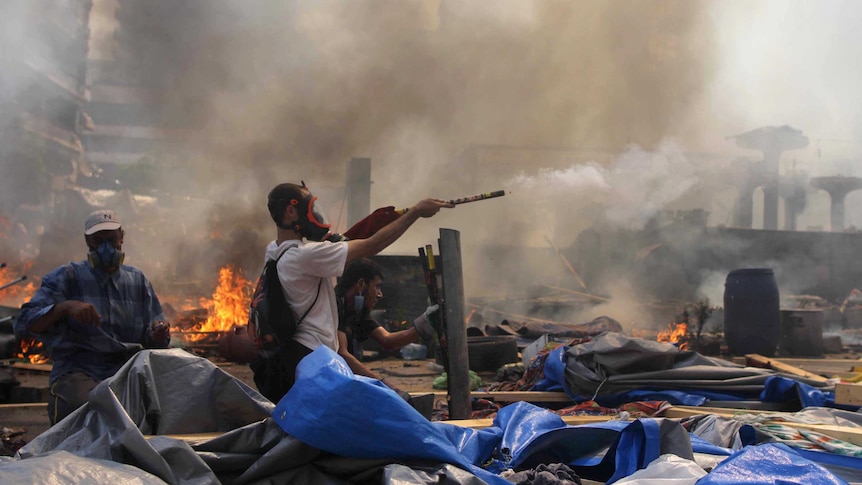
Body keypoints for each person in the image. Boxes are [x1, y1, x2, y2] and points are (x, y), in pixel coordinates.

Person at [251, 181, 453, 403]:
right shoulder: (305, 256)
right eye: (309, 209)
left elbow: (339, 242)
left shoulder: (274, 251)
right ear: (291, 212)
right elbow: (371, 246)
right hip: (314, 361)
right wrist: (415, 212)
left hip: (294, 360)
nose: (315, 215)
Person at [15, 209, 171, 425]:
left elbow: (153, 336)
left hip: (126, 368)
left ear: (121, 239)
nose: (106, 247)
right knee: (83, 410)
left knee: (166, 404)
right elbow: (24, 322)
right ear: (88, 242)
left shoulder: (137, 280)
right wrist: (65, 307)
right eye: (98, 241)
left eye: (111, 239)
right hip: (79, 368)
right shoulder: (67, 276)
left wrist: (158, 332)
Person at [334, 258, 438, 381]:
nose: (380, 294)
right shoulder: (335, 305)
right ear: (361, 284)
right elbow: (342, 354)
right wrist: (383, 385)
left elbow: (388, 340)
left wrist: (426, 323)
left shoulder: (357, 310)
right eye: (377, 286)